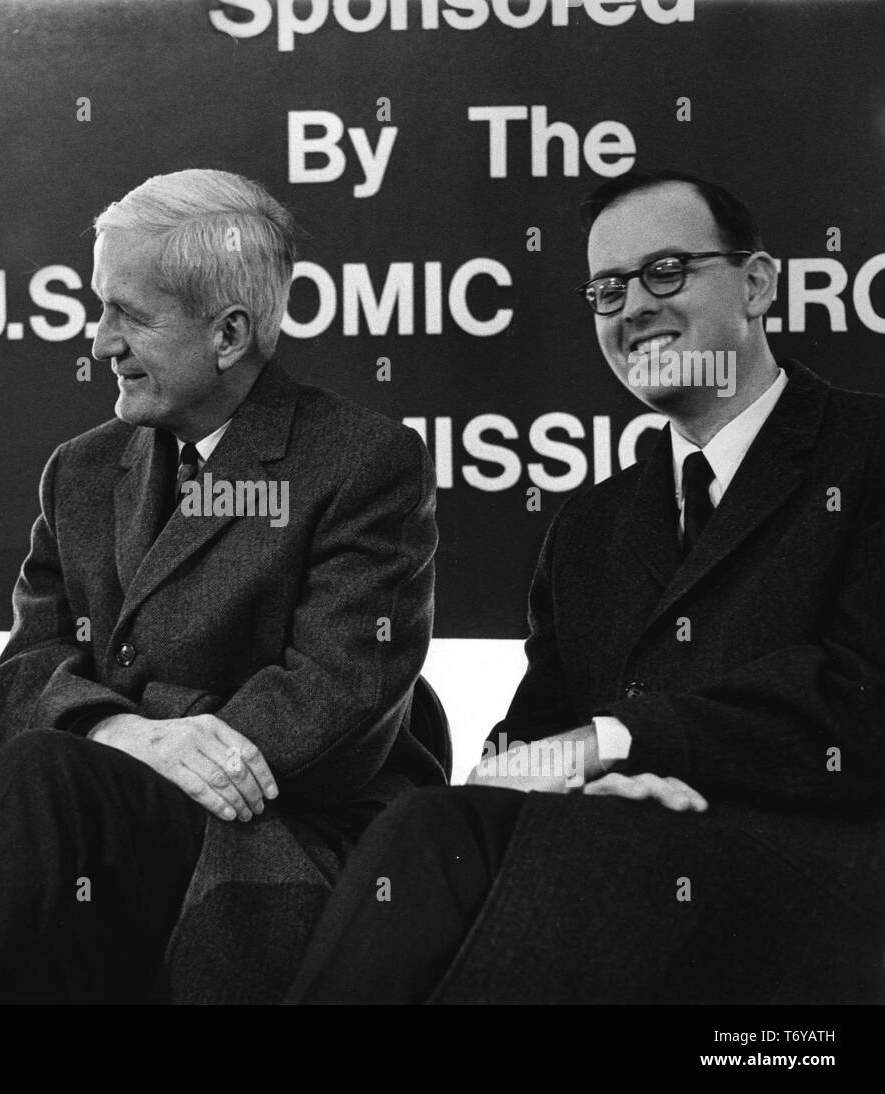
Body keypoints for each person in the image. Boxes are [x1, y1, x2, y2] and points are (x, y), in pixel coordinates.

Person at [0, 168, 442, 1004]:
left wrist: (124, 734)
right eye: (99, 307)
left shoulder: (363, 461)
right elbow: (16, 683)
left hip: (272, 840)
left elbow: (338, 698)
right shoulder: (80, 472)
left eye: (131, 315)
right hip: (109, 827)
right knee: (41, 783)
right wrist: (131, 735)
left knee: (43, 776)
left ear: (229, 335)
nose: (98, 342)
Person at [287, 169, 885, 1004]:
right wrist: (577, 771)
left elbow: (861, 700)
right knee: (431, 826)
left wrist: (624, 741)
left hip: (817, 889)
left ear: (757, 285)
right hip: (610, 860)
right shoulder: (591, 524)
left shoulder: (867, 453)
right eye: (607, 289)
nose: (633, 307)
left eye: (665, 272)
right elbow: (535, 735)